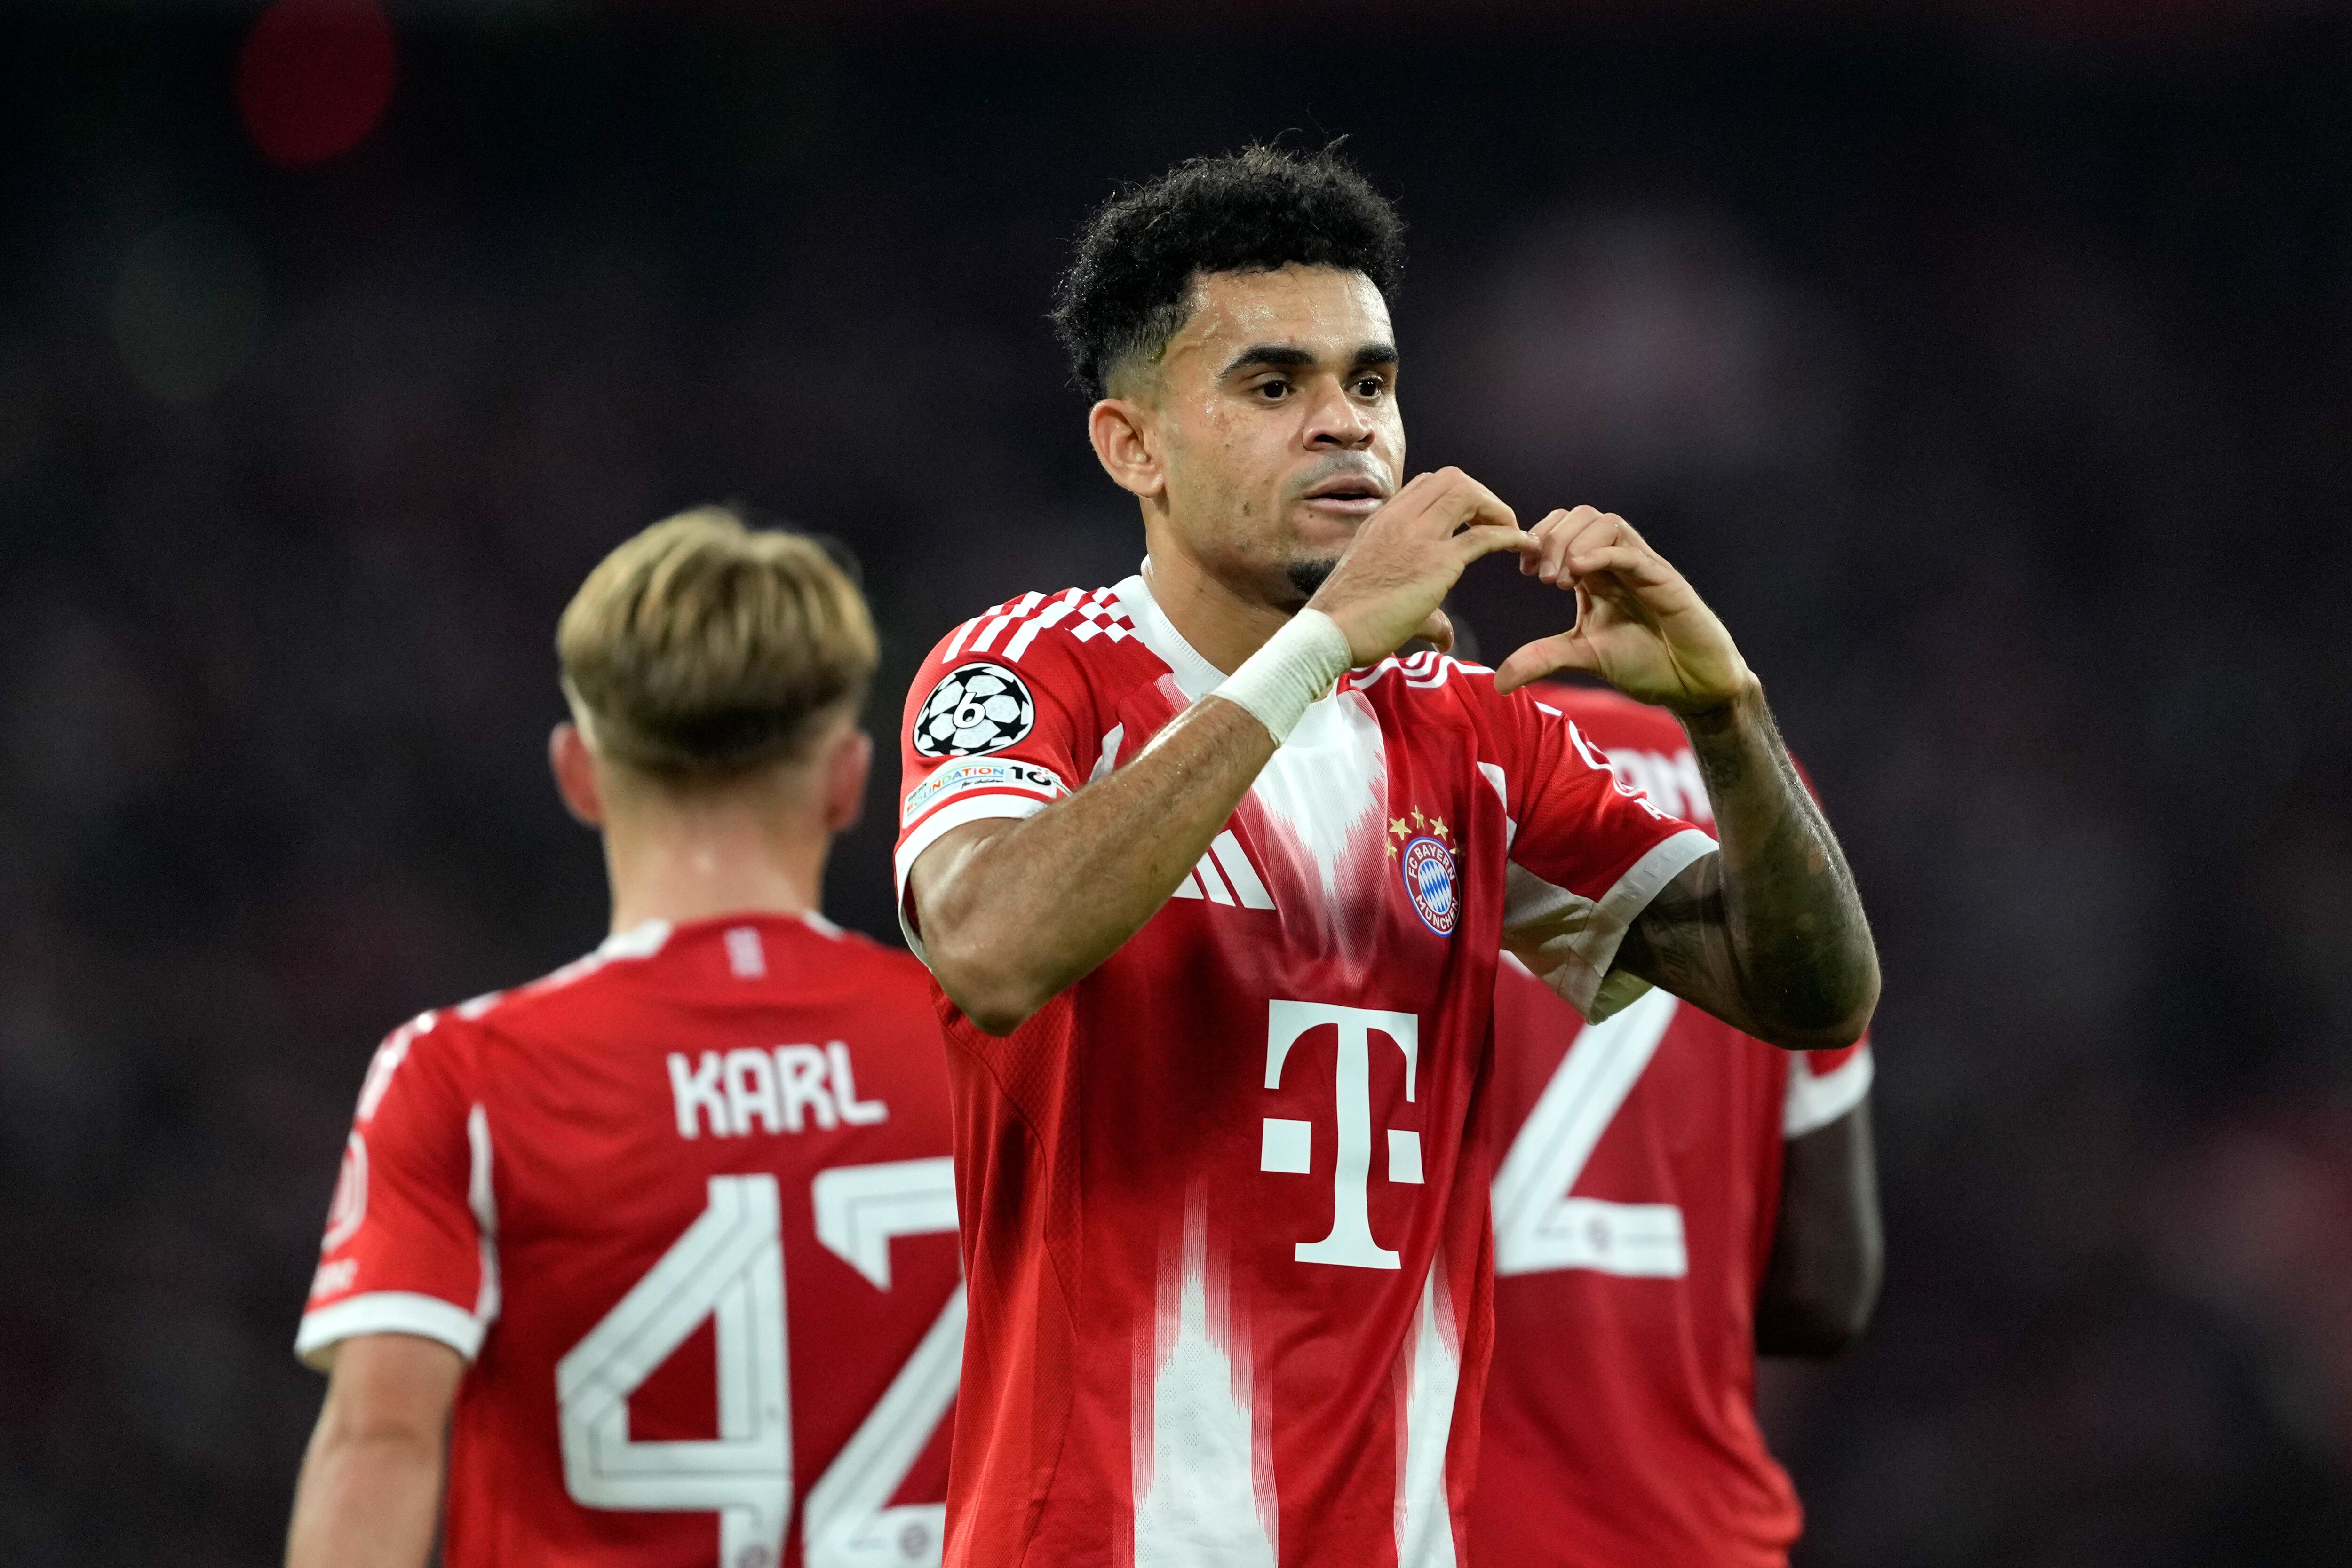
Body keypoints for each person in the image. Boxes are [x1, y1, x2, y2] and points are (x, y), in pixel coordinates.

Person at [892, 144, 1881, 1566]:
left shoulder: (1468, 735)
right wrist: (1321, 646)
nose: (1345, 427)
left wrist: (1733, 717)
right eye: (1274, 384)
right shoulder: (1034, 667)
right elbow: (988, 946)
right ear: (1135, 447)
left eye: (1370, 381)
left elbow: (1808, 993)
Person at [285, 509, 963, 1568]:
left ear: (577, 771)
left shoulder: (460, 1076)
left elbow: (380, 1436)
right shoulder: (989, 1047)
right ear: (847, 779)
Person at [1473, 680, 1883, 1568]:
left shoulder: (1393, 788)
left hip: (1456, 1529)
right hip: (1702, 1536)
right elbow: (1827, 1287)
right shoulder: (1751, 794)